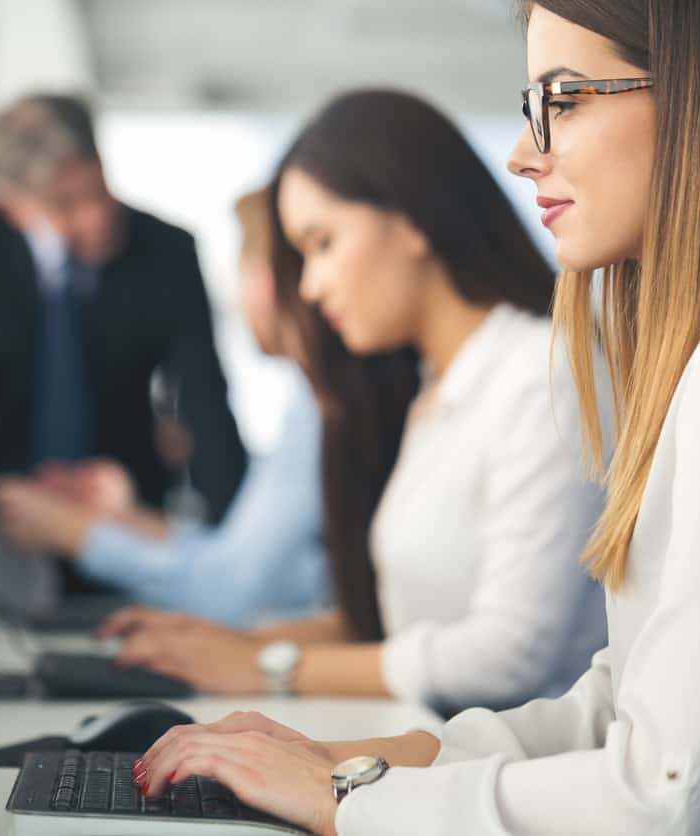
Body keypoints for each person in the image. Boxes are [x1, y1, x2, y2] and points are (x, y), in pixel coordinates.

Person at [128, 1, 700, 834]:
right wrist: (348, 762)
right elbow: (619, 708)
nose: (523, 151)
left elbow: (661, 794)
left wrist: (344, 800)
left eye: (563, 99)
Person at [101, 89, 608, 714]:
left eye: (323, 243)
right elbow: (408, 627)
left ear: (411, 220)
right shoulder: (436, 386)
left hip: (520, 782)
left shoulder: (540, 376)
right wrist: (230, 644)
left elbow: (506, 656)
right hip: (445, 754)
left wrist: (266, 664)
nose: (310, 287)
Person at [0, 188, 331, 627]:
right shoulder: (308, 407)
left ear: (264, 282)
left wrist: (72, 532)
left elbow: (233, 588)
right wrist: (121, 519)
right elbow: (234, 557)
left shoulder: (319, 411)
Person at [0, 93, 247, 523]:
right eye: (66, 204)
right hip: (0, 511)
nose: (97, 217)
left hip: (123, 508)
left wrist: (235, 539)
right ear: (12, 207)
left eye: (98, 189)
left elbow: (205, 400)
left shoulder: (167, 252)